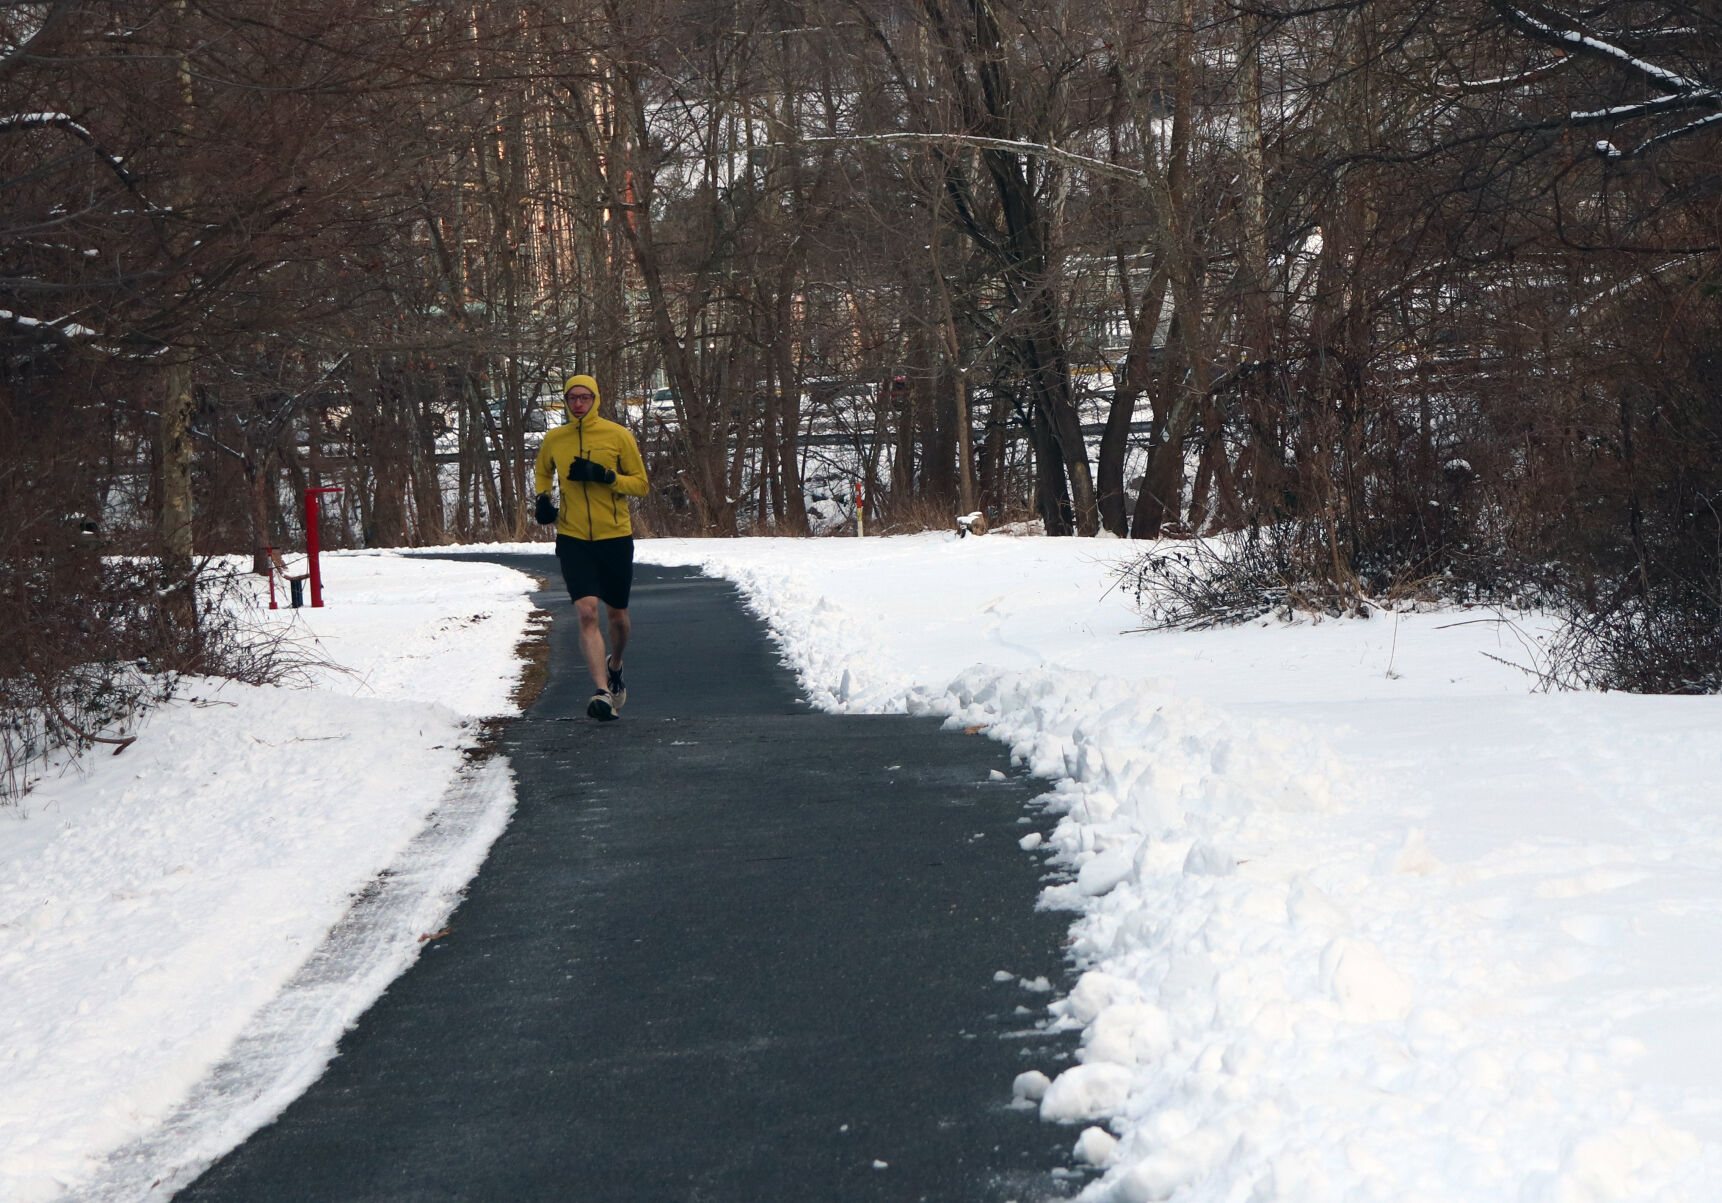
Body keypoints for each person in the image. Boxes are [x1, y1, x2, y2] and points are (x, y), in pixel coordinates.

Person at [533, 374, 650, 721]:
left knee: (618, 618)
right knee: (586, 612)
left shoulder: (617, 435)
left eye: (585, 397)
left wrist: (606, 477)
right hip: (573, 538)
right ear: (566, 402)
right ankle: (602, 692)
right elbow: (542, 471)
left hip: (614, 535)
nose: (579, 404)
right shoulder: (556, 438)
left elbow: (641, 484)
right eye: (573, 398)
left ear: (596, 399)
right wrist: (543, 499)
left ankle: (615, 664)